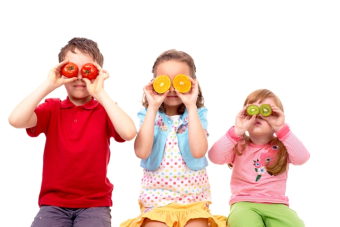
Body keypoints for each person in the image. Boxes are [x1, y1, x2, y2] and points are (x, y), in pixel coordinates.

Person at [8, 37, 137, 227]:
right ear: (61, 70)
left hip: (94, 204)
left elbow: (128, 132)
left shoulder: (105, 110)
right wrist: (49, 84)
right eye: (72, 69)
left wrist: (100, 92)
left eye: (87, 69)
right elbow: (15, 120)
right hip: (53, 203)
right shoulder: (52, 109)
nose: (79, 76)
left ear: (98, 72)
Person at [121, 50, 226, 227]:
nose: (171, 88)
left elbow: (199, 151)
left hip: (194, 200)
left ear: (192, 83)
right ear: (154, 83)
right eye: (164, 81)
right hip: (156, 201)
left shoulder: (198, 113)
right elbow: (141, 151)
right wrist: (153, 107)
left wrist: (191, 105)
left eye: (179, 81)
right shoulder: (148, 115)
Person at [208, 89, 310, 227]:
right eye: (253, 109)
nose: (259, 115)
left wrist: (281, 128)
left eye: (267, 111)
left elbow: (302, 158)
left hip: (277, 204)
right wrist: (237, 130)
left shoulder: (283, 145)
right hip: (243, 203)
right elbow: (214, 157)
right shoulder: (239, 144)